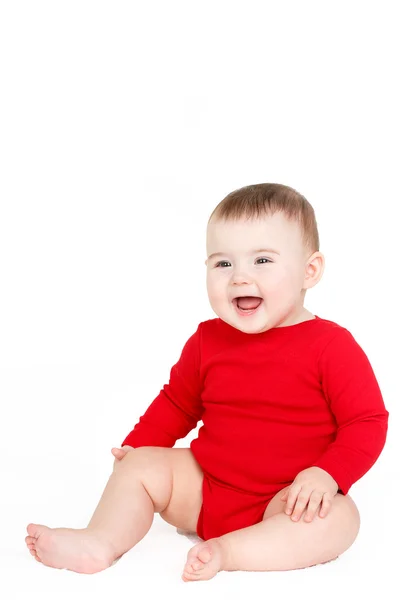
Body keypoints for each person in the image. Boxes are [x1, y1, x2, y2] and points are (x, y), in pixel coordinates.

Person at [25, 183, 389, 582]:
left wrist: (328, 474)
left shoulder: (331, 345)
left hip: (285, 501)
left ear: (310, 270)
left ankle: (230, 551)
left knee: (340, 519)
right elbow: (177, 405)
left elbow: (366, 421)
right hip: (206, 490)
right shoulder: (207, 340)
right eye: (223, 264)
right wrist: (139, 444)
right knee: (141, 465)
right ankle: (100, 543)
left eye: (262, 260)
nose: (239, 278)